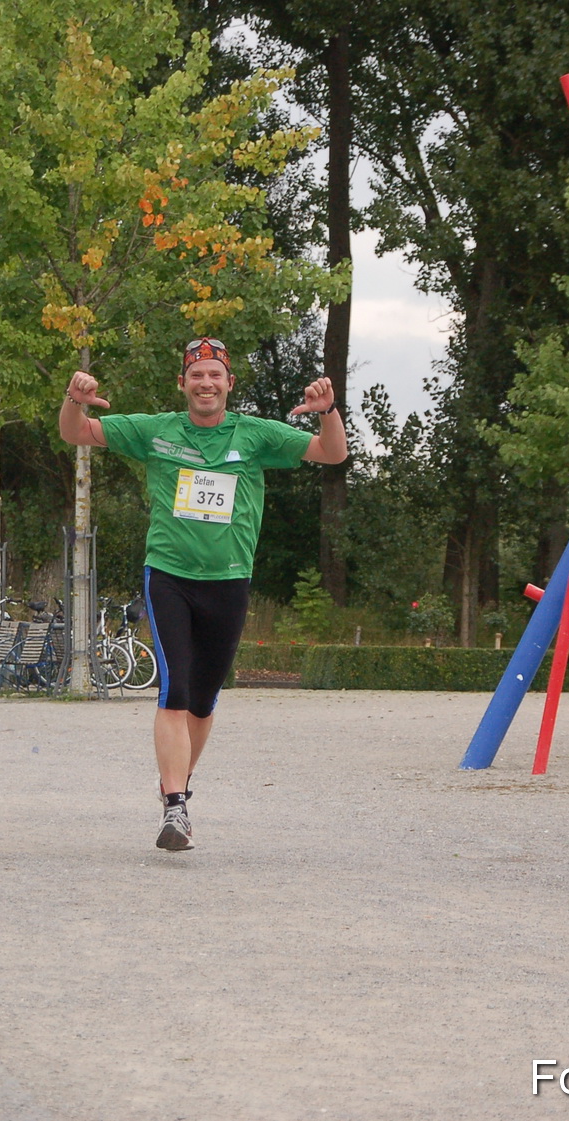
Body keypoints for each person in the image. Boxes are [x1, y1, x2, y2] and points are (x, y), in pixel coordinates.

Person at [59, 337, 346, 851]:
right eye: (197, 375)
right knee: (174, 692)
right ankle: (176, 807)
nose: (206, 383)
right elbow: (75, 432)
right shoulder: (157, 430)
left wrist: (328, 413)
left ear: (229, 384)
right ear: (183, 383)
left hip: (230, 581)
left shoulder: (255, 435)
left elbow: (332, 452)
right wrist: (74, 399)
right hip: (169, 575)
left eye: (215, 375)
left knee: (203, 701)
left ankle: (177, 786)